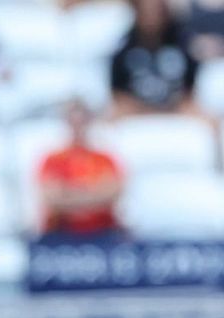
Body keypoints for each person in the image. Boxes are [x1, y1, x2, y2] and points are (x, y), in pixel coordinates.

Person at [37, 99, 125, 241]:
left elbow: (113, 194)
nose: (78, 126)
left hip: (103, 233)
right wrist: (93, 194)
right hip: (62, 234)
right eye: (73, 121)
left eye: (81, 120)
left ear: (89, 121)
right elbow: (51, 198)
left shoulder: (104, 159)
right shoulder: (52, 160)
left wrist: (69, 195)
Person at [111, 0, 202, 118]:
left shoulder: (182, 45)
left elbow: (190, 93)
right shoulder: (123, 49)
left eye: (157, 10)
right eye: (147, 11)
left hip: (176, 116)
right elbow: (119, 95)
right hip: (136, 117)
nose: (152, 16)